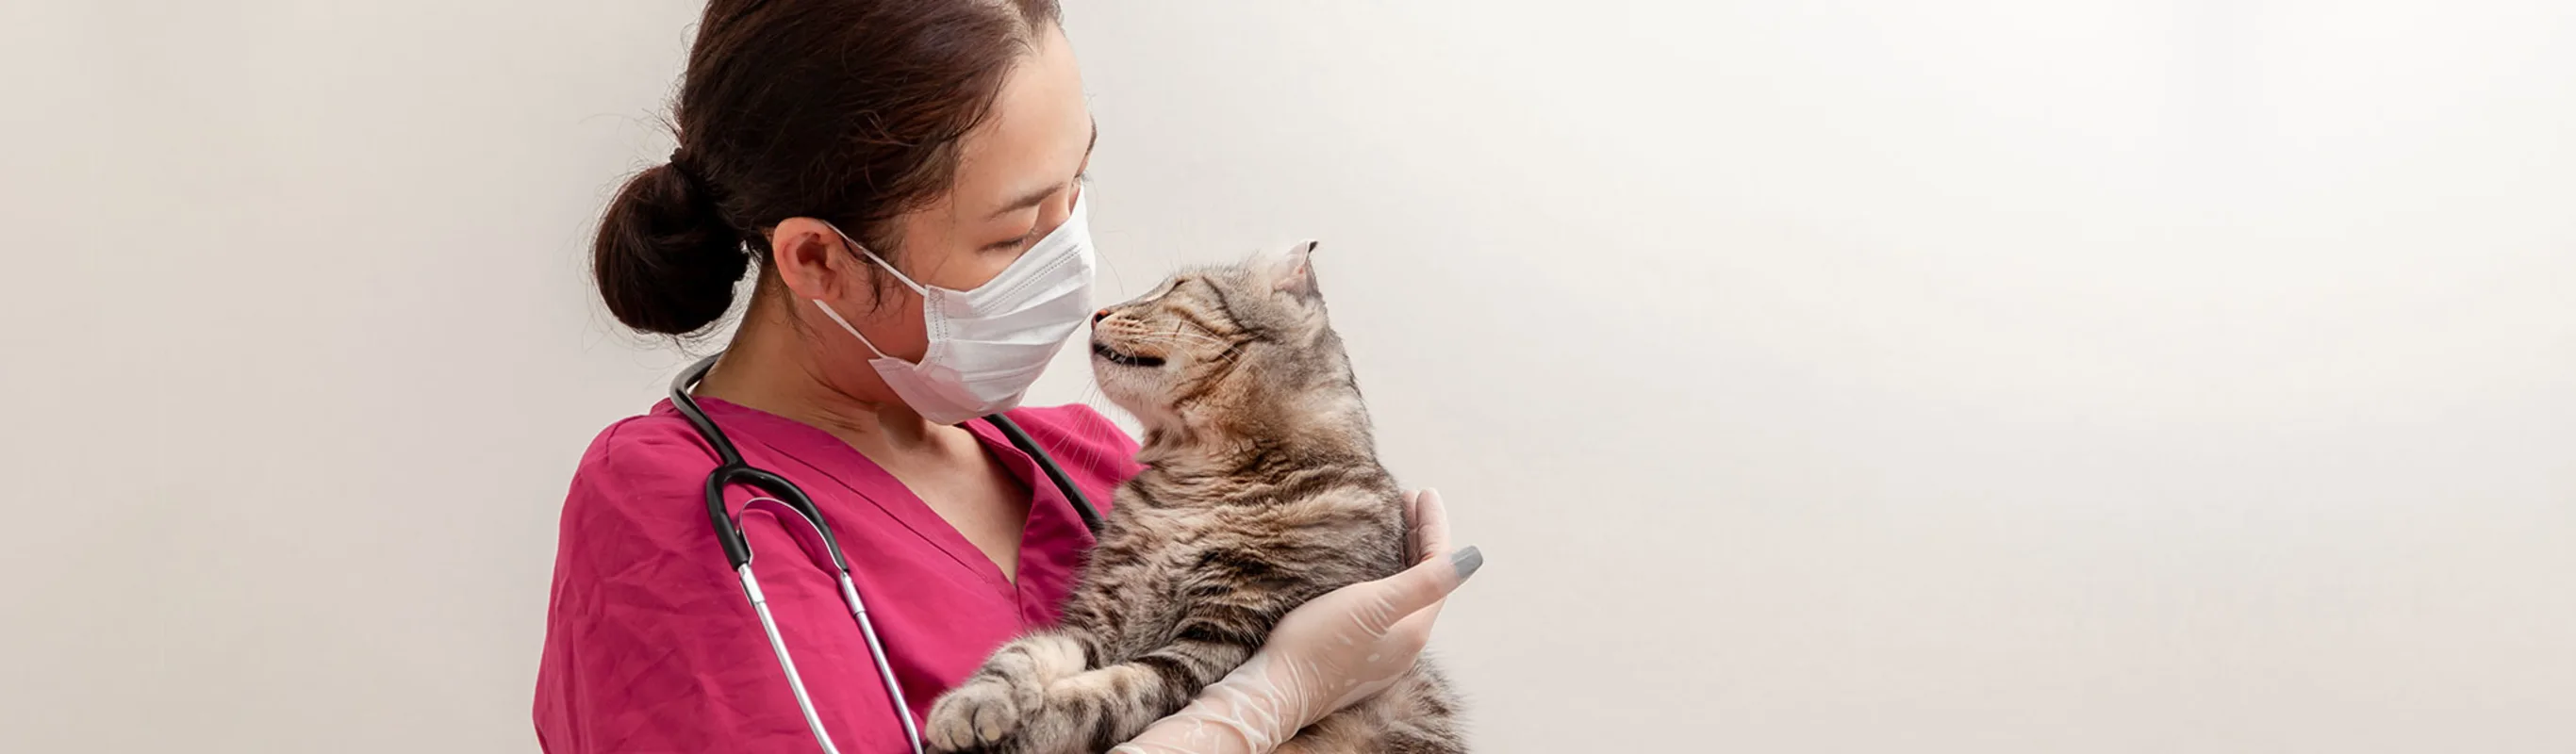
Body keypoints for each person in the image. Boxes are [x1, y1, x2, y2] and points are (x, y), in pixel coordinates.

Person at [529, 2, 1480, 752]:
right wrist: (1265, 700)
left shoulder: (1090, 458)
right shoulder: (674, 511)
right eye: (1015, 232)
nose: (1071, 267)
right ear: (819, 261)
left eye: (1077, 192)